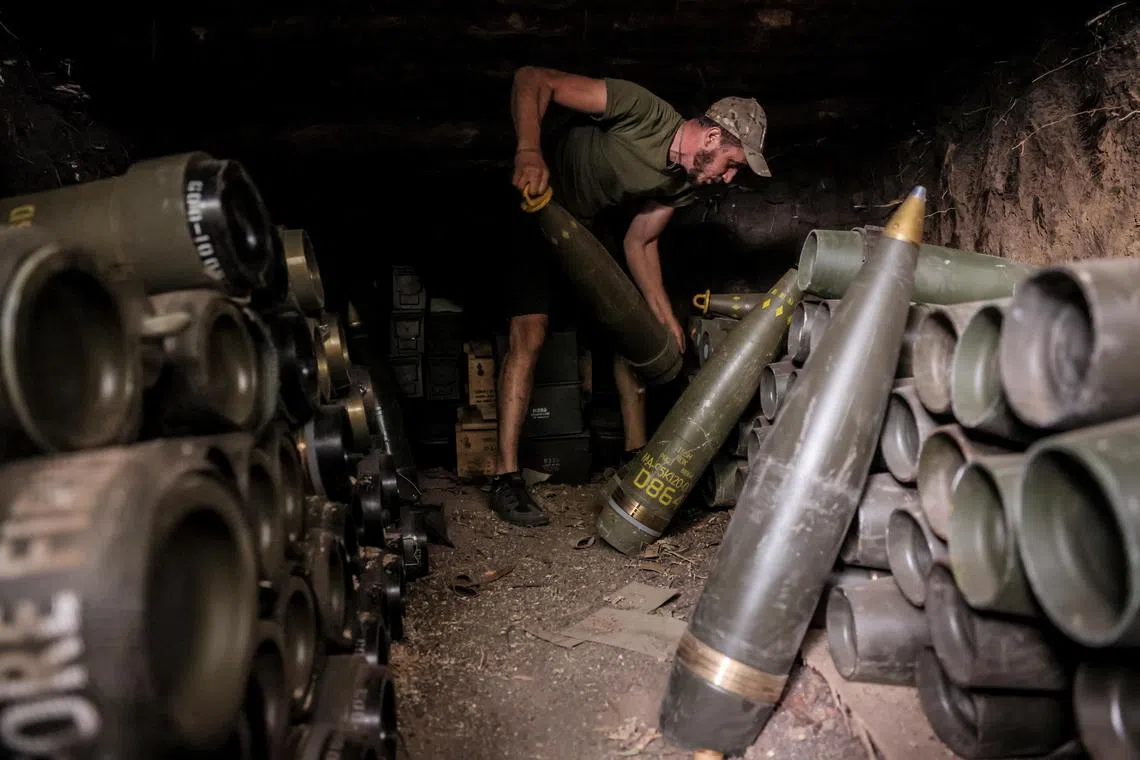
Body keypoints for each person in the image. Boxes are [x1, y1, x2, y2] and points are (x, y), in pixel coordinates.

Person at [490, 65, 773, 526]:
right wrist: (528, 150)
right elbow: (530, 78)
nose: (728, 179)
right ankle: (505, 477)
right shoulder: (641, 110)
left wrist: (662, 315)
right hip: (535, 205)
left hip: (582, 229)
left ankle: (635, 454)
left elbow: (639, 241)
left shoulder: (686, 185)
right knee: (530, 334)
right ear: (710, 139)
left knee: (631, 334)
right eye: (733, 164)